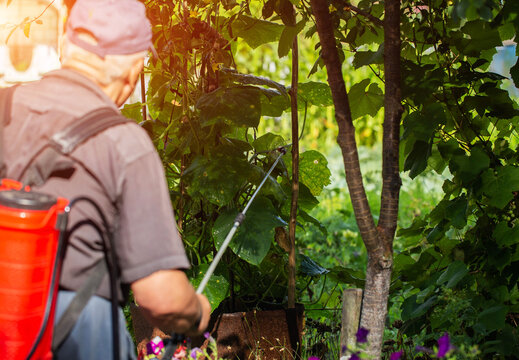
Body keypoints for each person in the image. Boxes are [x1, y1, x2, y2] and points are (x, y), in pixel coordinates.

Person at [2, 0, 211, 359]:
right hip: (79, 331)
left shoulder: (4, 106)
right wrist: (196, 312)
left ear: (66, 44)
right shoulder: (124, 143)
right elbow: (159, 296)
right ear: (133, 68)